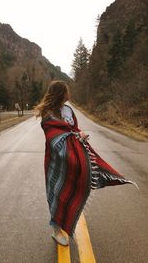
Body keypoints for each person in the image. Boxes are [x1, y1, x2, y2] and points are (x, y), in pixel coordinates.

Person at [34, 80, 138, 246]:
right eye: (66, 92)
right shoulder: (48, 115)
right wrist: (76, 136)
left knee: (72, 188)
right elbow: (54, 139)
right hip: (55, 160)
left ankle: (68, 220)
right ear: (61, 93)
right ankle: (56, 230)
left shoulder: (68, 110)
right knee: (55, 193)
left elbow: (73, 129)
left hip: (72, 157)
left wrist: (79, 133)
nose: (68, 94)